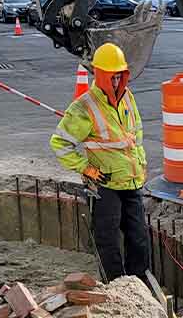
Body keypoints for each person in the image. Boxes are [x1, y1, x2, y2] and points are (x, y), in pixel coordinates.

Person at [49, 43, 148, 282]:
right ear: (101, 75)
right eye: (111, 77)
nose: (116, 82)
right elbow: (59, 143)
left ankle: (139, 284)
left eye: (119, 76)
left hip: (131, 180)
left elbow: (136, 134)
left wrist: (141, 163)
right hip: (105, 184)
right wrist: (85, 168)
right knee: (107, 238)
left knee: (138, 237)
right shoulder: (84, 107)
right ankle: (115, 284)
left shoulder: (128, 97)